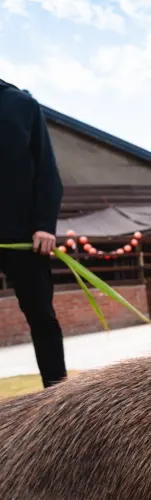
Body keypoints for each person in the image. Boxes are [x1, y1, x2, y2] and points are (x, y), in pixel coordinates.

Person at [0, 79, 66, 389]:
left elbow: (46, 169)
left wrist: (44, 223)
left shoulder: (21, 104)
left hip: (26, 239)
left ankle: (59, 403)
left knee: (43, 319)